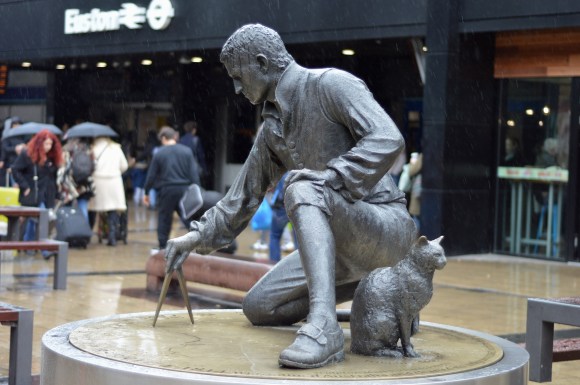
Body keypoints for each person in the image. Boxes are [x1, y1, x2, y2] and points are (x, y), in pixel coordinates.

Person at [164, 24, 416, 369]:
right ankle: (374, 294)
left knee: (301, 185)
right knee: (259, 307)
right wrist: (193, 238)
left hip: (386, 229)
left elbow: (388, 138)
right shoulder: (272, 128)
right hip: (341, 248)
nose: (237, 88)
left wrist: (331, 176)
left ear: (263, 62)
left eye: (239, 77)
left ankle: (325, 328)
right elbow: (242, 198)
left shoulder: (331, 85)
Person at [143, 126, 200, 250]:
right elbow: (194, 174)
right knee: (188, 218)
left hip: (166, 190)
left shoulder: (159, 153)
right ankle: (200, 240)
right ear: (174, 137)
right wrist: (197, 190)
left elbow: (151, 176)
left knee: (164, 219)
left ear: (164, 138)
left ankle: (163, 246)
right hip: (184, 189)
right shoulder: (187, 151)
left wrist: (146, 192)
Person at [11, 129, 63, 258]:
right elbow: (15, 170)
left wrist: (56, 194)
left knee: (33, 220)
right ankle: (44, 249)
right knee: (43, 218)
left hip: (46, 193)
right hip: (33, 193)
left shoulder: (51, 157)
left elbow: (53, 177)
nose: (48, 147)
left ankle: (29, 244)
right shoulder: (27, 155)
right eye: (46, 144)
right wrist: (25, 187)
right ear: (40, 143)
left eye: (50, 144)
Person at [88, 135, 128, 246]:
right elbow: (124, 166)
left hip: (98, 182)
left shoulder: (93, 149)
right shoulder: (116, 148)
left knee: (93, 209)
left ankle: (88, 234)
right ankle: (112, 236)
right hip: (114, 182)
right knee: (113, 210)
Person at [58, 137, 94, 222]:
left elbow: (62, 168)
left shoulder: (66, 149)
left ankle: (68, 229)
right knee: (83, 206)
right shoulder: (87, 149)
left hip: (69, 184)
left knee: (67, 208)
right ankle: (84, 230)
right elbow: (93, 166)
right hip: (84, 183)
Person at [268, 172, 296, 263]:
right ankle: (299, 267)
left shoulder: (283, 174)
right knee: (299, 241)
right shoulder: (299, 173)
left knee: (274, 236)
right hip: (295, 209)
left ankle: (273, 264)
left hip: (280, 209)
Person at [1, 116, 25, 186]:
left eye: (19, 124)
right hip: (12, 162)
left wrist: (24, 146)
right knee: (14, 183)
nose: (17, 126)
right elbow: (5, 148)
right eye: (15, 124)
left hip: (22, 162)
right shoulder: (7, 136)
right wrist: (15, 148)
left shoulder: (23, 135)